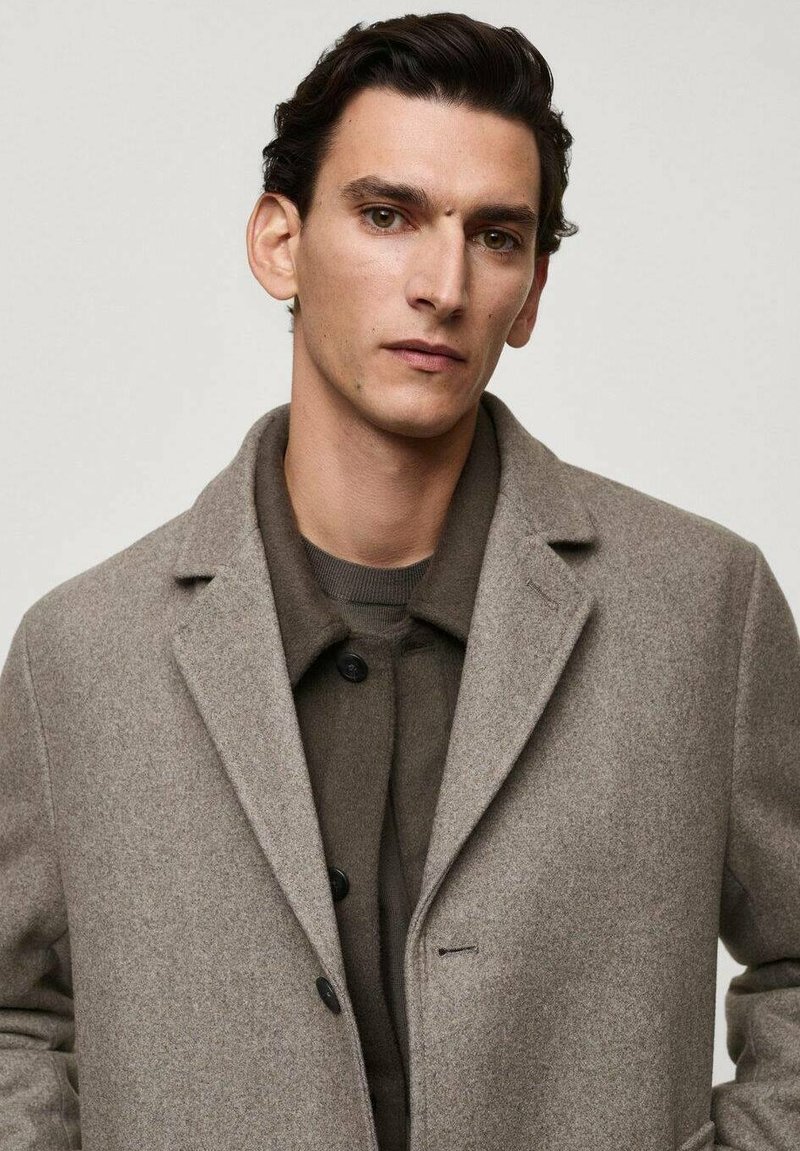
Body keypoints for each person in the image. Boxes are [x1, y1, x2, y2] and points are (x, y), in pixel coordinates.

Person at [0, 11, 797, 1151]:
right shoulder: (79, 653)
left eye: (497, 236)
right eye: (388, 216)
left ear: (531, 291)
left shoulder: (704, 609)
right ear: (280, 243)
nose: (442, 283)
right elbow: (12, 1016)